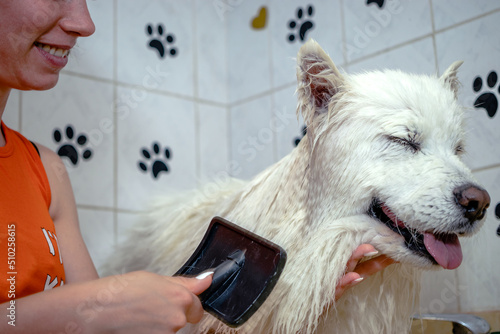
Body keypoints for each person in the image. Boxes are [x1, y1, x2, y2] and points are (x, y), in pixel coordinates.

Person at [0, 0, 395, 333]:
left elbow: (96, 326)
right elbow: (89, 312)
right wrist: (99, 306)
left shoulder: (46, 169)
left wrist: (298, 311)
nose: (84, 23)